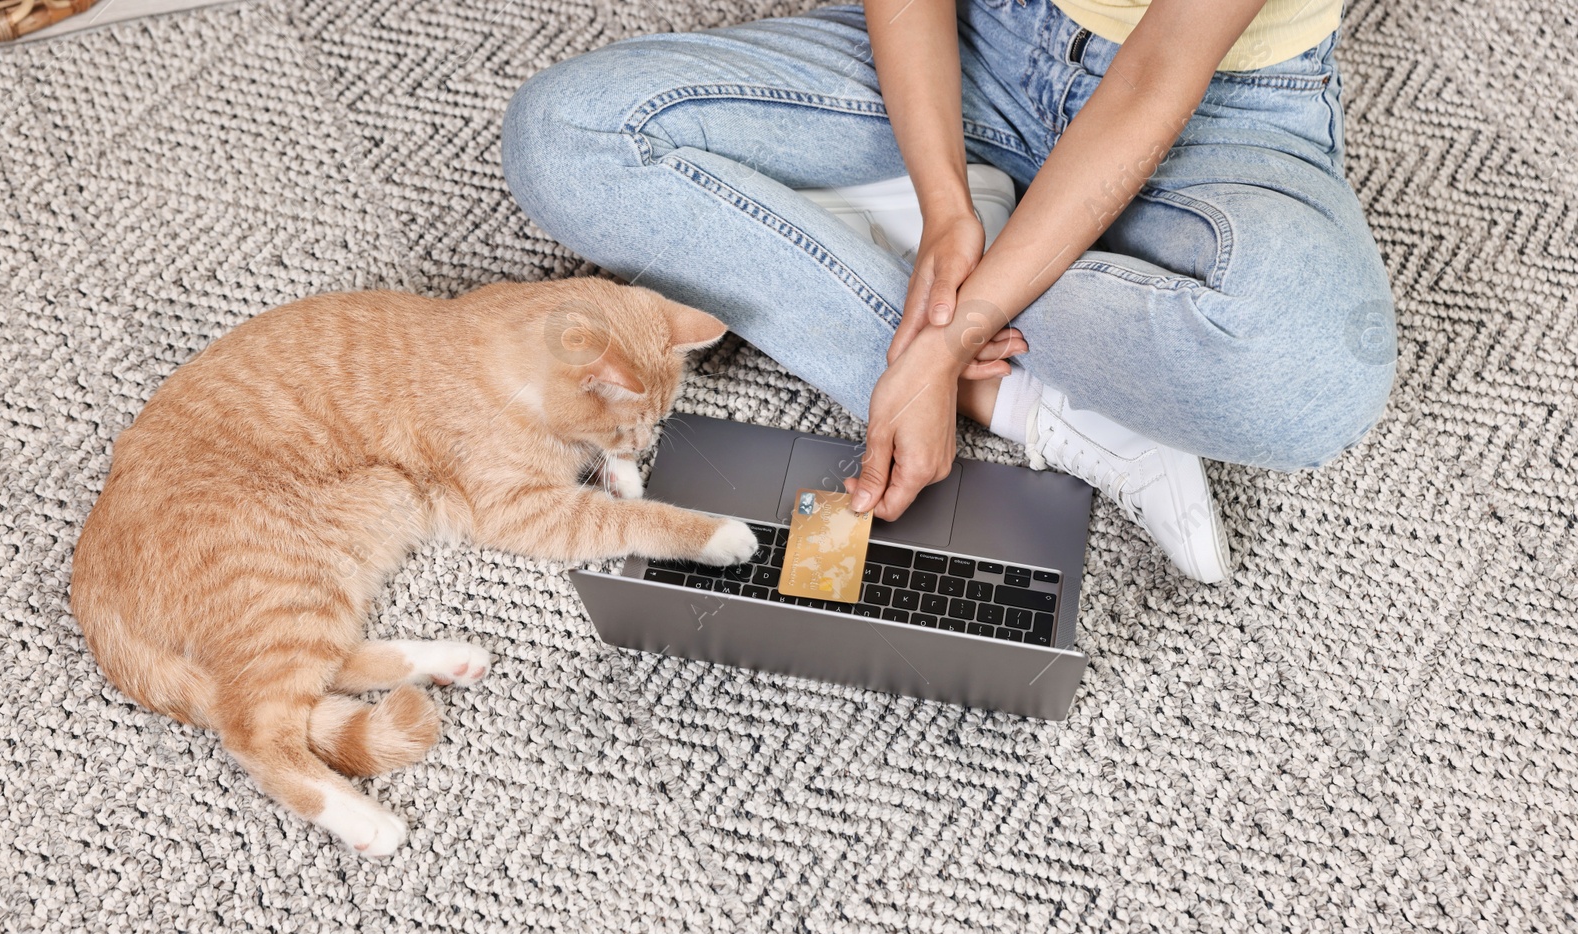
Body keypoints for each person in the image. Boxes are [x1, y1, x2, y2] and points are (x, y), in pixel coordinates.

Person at [500, 0, 1397, 584]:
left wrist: (954, 330)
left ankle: (865, 262)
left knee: (1304, 375)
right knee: (567, 135)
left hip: (1222, 100)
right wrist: (943, 210)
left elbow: (1161, 69)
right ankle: (1020, 393)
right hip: (990, 45)